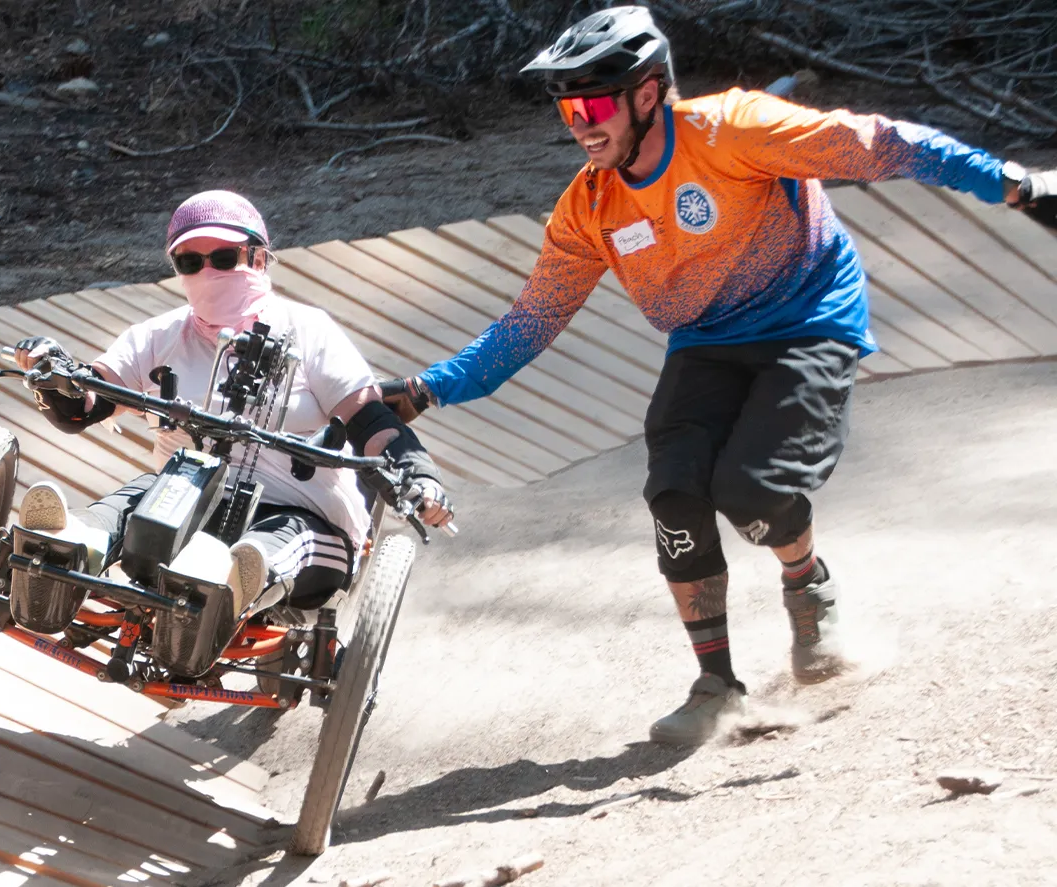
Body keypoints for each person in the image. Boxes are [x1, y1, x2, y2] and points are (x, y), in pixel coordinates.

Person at [378, 6, 1057, 745]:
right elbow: (530, 322)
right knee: (673, 492)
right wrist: (426, 387)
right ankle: (716, 684)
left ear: (646, 95)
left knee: (751, 490)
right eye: (567, 107)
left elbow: (883, 145)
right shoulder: (591, 205)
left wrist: (1017, 186)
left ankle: (806, 583)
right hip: (703, 338)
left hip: (807, 318)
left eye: (593, 104)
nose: (579, 123)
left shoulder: (734, 130)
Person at [10, 190, 455, 652]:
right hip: (183, 500)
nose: (206, 272)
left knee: (274, 543)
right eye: (189, 262)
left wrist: (419, 476)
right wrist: (52, 376)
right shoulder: (158, 337)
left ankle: (226, 578)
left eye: (223, 258)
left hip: (300, 512)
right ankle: (70, 546)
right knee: (137, 500)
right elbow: (86, 402)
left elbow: (370, 419)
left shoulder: (310, 331)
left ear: (259, 259)